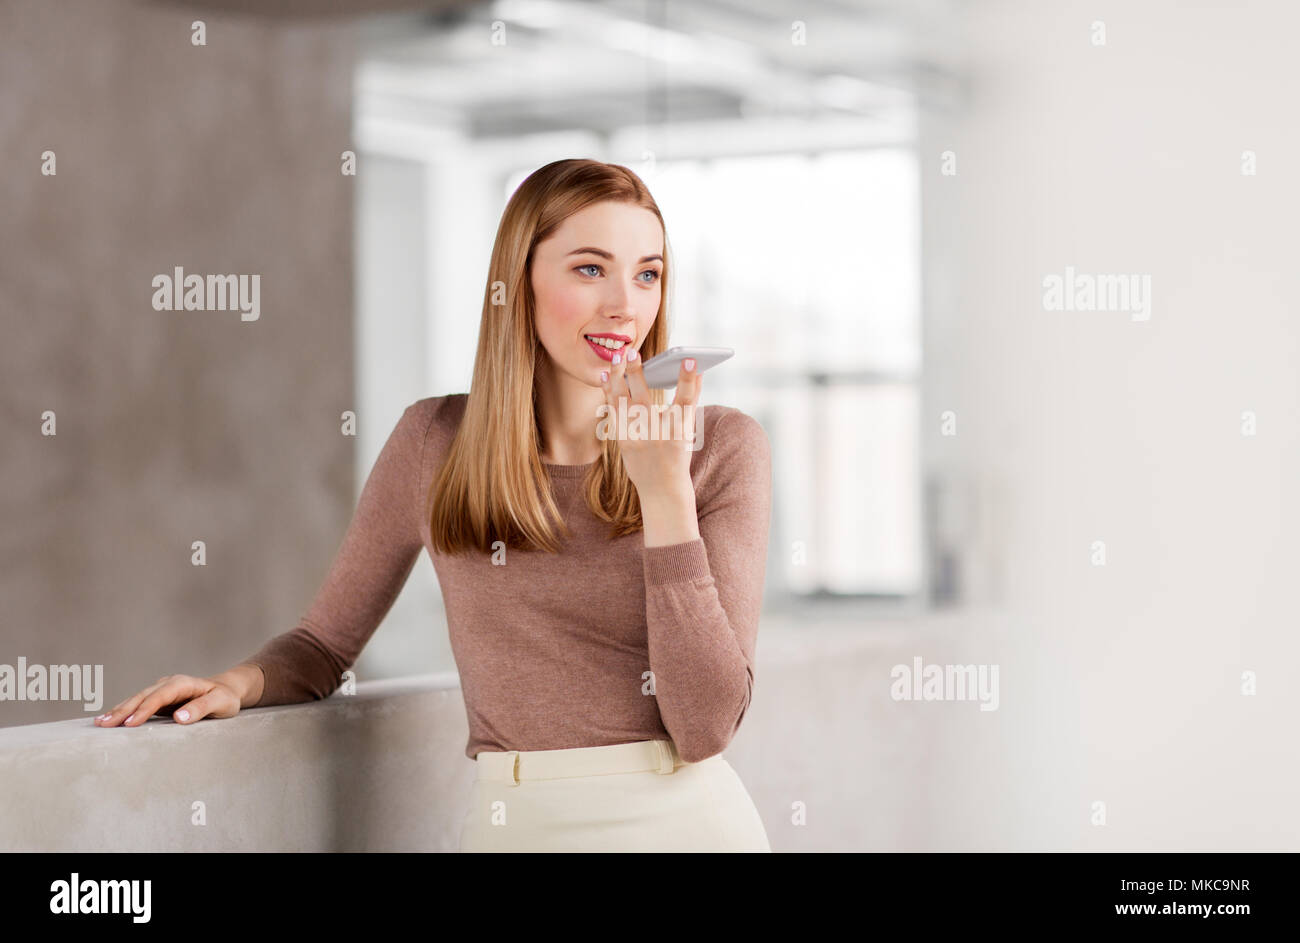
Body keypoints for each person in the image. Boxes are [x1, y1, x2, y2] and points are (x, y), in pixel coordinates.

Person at [95, 158, 773, 852]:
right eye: (590, 269)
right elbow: (323, 646)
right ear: (519, 282)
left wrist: (665, 498)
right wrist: (234, 682)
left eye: (648, 273)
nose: (626, 305)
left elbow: (705, 725)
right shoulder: (433, 441)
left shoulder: (719, 447)